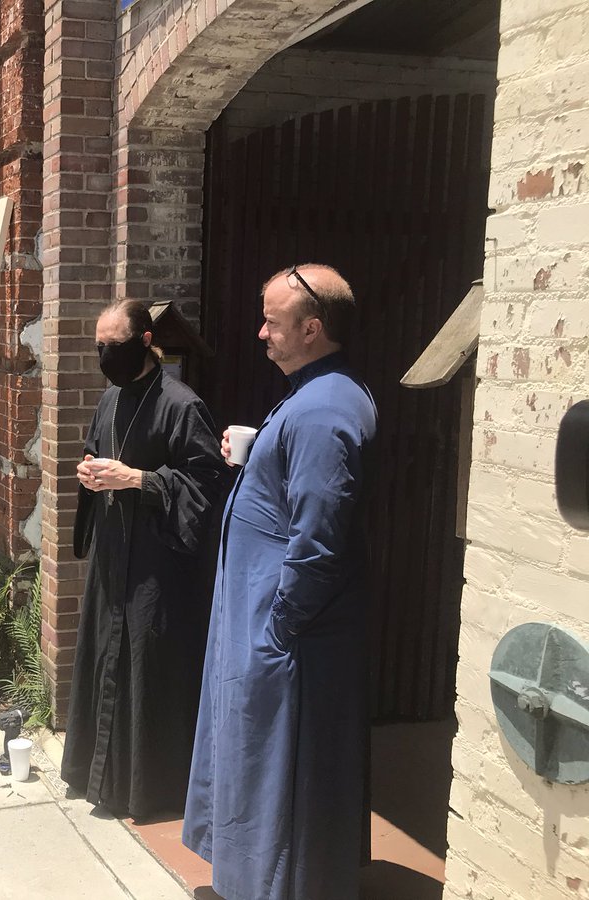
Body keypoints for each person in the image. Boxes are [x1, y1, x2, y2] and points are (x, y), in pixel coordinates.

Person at [183, 265, 378, 900]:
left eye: (272, 320)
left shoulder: (325, 409)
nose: (260, 331)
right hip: (270, 623)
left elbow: (319, 539)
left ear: (312, 328)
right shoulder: (310, 397)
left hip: (288, 635)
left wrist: (280, 625)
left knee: (279, 773)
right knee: (255, 760)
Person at [59, 300, 225, 821]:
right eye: (99, 347)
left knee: (147, 671)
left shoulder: (183, 405)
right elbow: (94, 450)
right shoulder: (110, 398)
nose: (106, 356)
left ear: (146, 341)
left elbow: (207, 484)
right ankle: (103, 782)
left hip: (158, 565)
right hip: (114, 557)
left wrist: (139, 479)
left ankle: (151, 790)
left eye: (116, 346)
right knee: (104, 662)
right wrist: (89, 474)